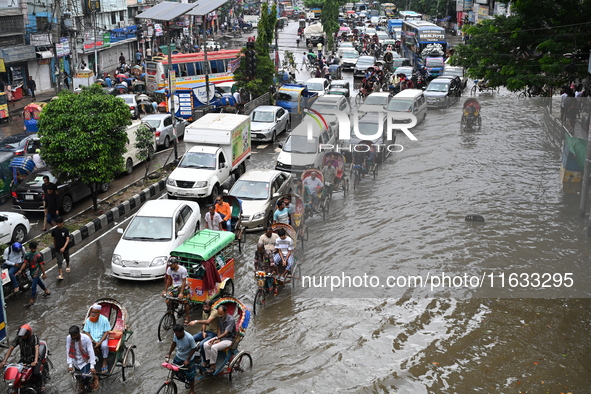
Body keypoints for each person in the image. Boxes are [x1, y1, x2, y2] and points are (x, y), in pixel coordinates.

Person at [0, 324, 45, 391]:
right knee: (16, 373)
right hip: (24, 359)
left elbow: (36, 348)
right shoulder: (19, 338)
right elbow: (11, 348)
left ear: (28, 334)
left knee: (36, 373)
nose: (23, 337)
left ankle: (42, 384)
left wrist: (35, 361)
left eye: (24, 335)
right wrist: (4, 361)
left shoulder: (34, 337)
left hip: (34, 359)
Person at [202, 305, 235, 374]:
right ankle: (209, 361)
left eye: (221, 314)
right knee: (206, 344)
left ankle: (213, 366)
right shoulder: (220, 318)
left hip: (228, 339)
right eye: (218, 314)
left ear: (226, 312)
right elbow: (219, 329)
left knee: (214, 347)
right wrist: (218, 338)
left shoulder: (231, 320)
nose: (219, 316)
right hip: (221, 337)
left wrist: (217, 338)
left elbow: (226, 333)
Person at [165, 324, 197, 394]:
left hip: (188, 358)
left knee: (191, 376)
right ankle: (183, 378)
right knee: (174, 371)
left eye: (177, 334)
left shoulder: (189, 338)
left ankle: (192, 390)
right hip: (179, 356)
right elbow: (174, 343)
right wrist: (169, 353)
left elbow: (194, 348)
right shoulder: (176, 335)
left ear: (182, 332)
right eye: (175, 334)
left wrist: (187, 359)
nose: (176, 335)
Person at [18, 241, 50, 307]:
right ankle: (46, 291)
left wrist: (44, 273)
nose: (33, 250)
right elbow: (25, 263)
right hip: (31, 272)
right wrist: (20, 270)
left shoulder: (38, 255)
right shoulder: (27, 255)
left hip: (36, 272)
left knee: (33, 286)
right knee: (39, 282)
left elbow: (41, 265)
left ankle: (32, 299)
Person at [66, 325, 96, 394]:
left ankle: (88, 383)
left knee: (86, 376)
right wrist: (70, 364)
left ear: (78, 333)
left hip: (85, 360)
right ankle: (82, 386)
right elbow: (68, 351)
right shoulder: (69, 338)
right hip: (75, 360)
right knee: (78, 377)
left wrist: (92, 366)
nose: (73, 337)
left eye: (74, 335)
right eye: (71, 335)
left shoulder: (86, 339)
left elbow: (91, 352)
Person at [187, 299, 218, 364]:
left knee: (202, 344)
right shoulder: (204, 312)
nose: (205, 308)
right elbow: (204, 322)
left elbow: (208, 321)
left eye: (207, 307)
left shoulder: (214, 312)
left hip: (213, 333)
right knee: (191, 339)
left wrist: (195, 321)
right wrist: (203, 331)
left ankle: (205, 361)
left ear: (211, 306)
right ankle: (192, 356)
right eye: (204, 307)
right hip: (206, 331)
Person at [82, 304, 111, 373]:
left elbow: (106, 332)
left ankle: (104, 361)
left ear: (99, 312)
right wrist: (91, 340)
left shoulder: (104, 320)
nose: (92, 314)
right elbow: (87, 331)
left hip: (102, 339)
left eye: (94, 312)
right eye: (92, 312)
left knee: (104, 346)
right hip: (92, 339)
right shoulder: (88, 320)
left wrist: (99, 342)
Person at [162, 257, 191, 325]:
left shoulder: (183, 270)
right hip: (175, 286)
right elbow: (169, 279)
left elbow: (184, 281)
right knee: (168, 299)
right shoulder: (169, 269)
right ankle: (171, 310)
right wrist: (165, 291)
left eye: (171, 264)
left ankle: (187, 316)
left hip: (183, 286)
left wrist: (181, 293)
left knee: (185, 302)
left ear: (175, 264)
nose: (170, 266)